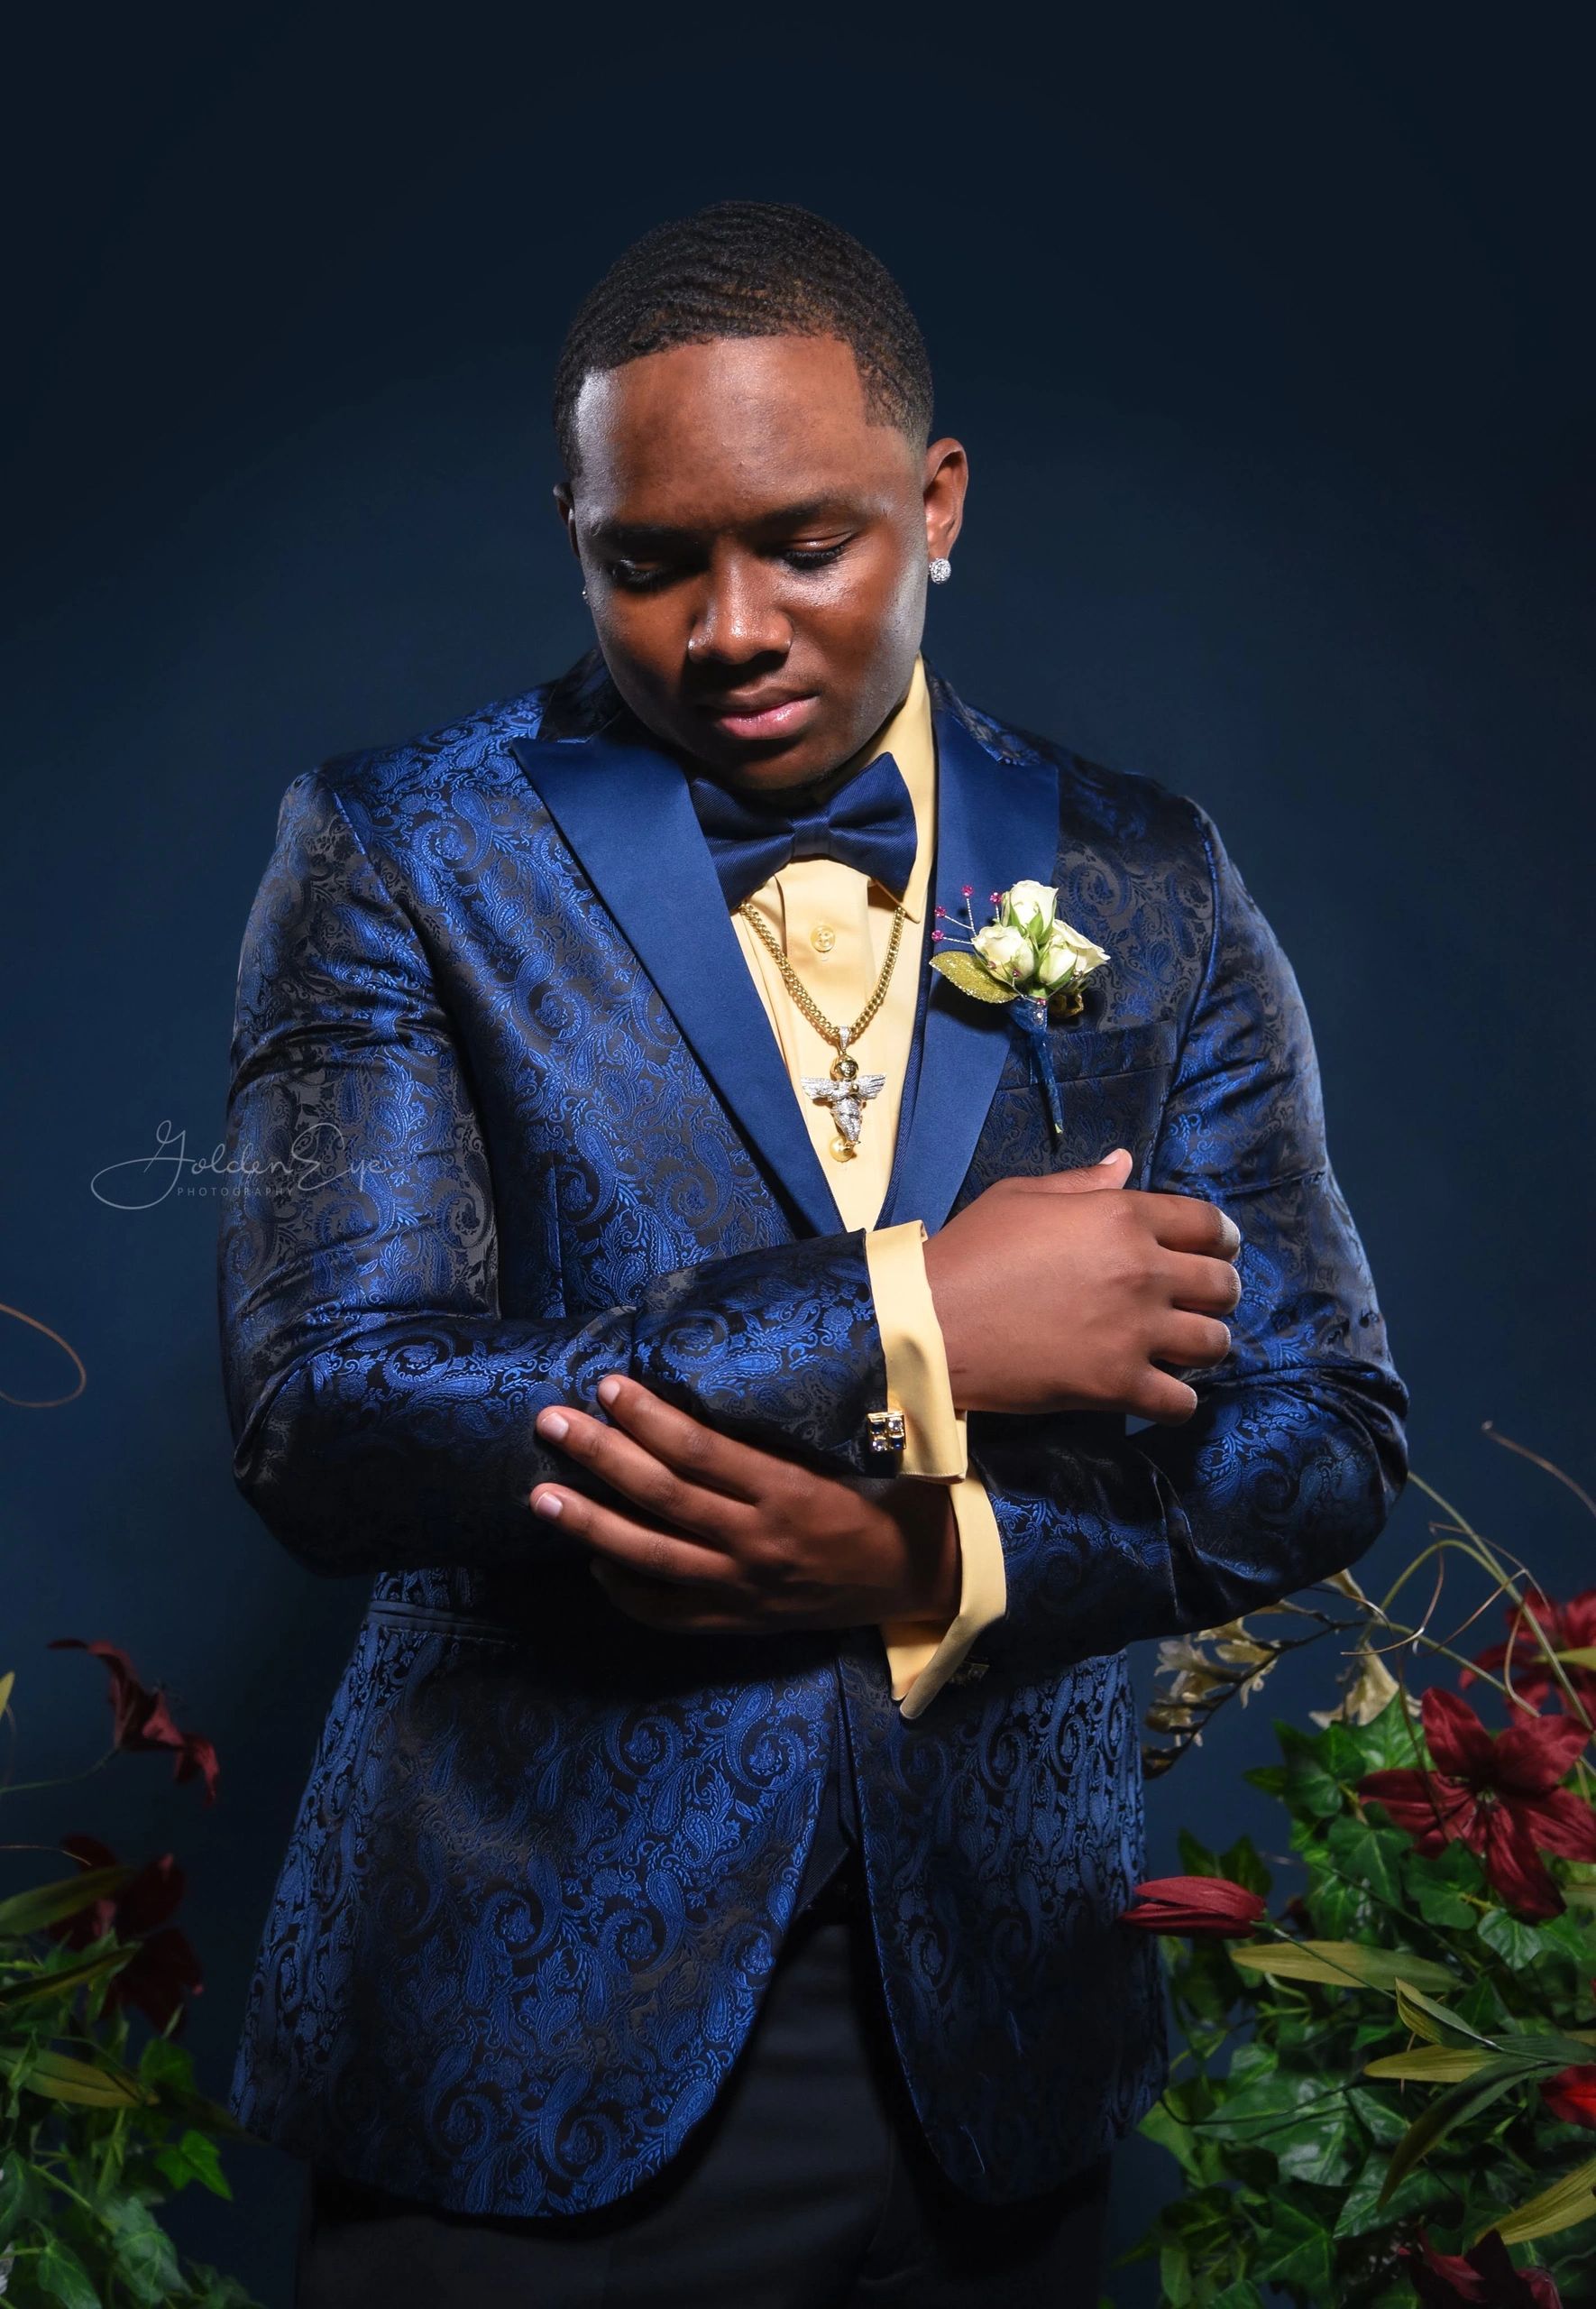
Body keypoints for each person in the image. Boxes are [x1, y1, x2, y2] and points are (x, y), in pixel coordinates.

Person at [216, 198, 1408, 2306]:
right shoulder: (402, 844)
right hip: (517, 2049)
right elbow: (331, 1415)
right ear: (575, 533)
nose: (728, 626)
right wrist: (910, 1313)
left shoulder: (1149, 868)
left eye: (805, 543)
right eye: (647, 562)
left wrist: (949, 1570)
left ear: (937, 504)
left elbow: (1320, 1428)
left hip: (1006, 2049)